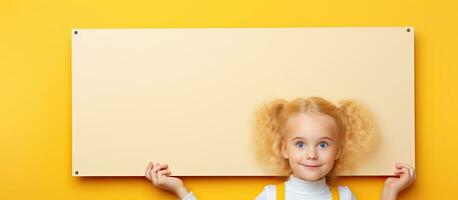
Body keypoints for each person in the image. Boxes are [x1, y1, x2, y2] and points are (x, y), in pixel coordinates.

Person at [145, 97, 416, 200]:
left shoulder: (344, 197)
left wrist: (390, 193)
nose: (311, 154)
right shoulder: (271, 196)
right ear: (284, 148)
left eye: (323, 144)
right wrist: (181, 191)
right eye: (301, 144)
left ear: (338, 151)